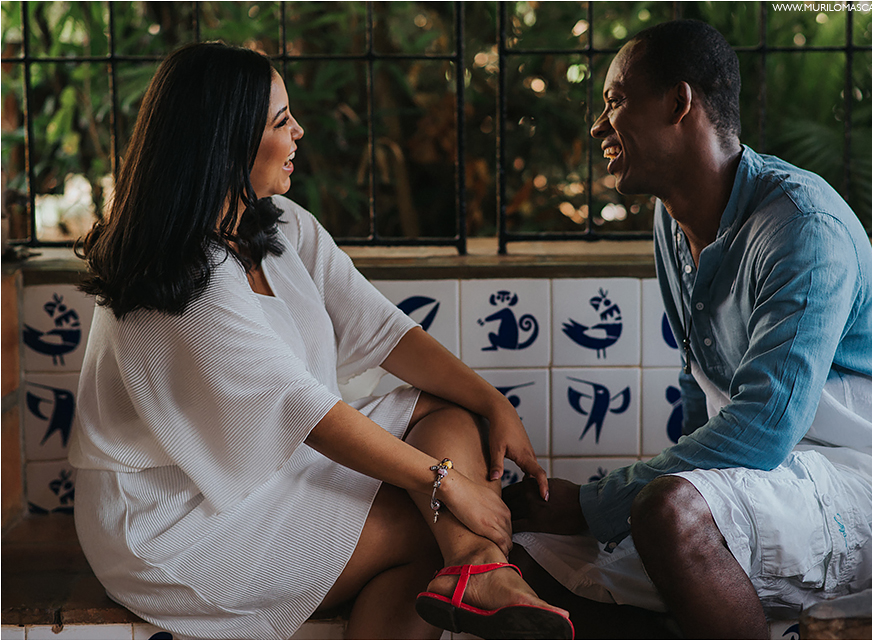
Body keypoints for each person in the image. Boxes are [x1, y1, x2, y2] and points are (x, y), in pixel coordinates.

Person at [70, 42, 574, 641]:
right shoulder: (180, 282)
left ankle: (477, 572)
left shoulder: (276, 224)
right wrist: (448, 482)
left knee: (449, 419)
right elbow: (306, 413)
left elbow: (387, 332)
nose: (299, 131)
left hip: (272, 467)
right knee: (429, 524)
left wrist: (494, 404)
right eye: (281, 121)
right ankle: (481, 569)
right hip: (178, 521)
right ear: (225, 143)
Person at [504, 19, 872, 638]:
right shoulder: (671, 219)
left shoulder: (801, 223)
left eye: (615, 101)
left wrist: (591, 504)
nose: (598, 126)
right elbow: (701, 391)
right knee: (521, 557)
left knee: (669, 514)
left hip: (867, 491)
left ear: (679, 103)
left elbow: (763, 429)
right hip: (758, 488)